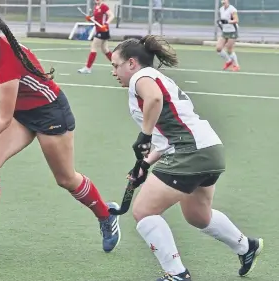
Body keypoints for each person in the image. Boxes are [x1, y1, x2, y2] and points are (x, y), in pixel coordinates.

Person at [0, 3, 121, 257]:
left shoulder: (9, 59)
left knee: (66, 179)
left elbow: (3, 119)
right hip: (22, 113)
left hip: (50, 113)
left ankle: (106, 215)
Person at [110, 35, 263, 281]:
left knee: (143, 211)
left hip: (190, 152)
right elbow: (166, 137)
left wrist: (144, 135)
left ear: (131, 63)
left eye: (115, 65)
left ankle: (177, 274)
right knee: (198, 215)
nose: (113, 71)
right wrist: (144, 164)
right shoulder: (156, 78)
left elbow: (155, 99)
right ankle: (246, 247)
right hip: (210, 149)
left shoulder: (141, 77)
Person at [78, 0, 115, 74]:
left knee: (93, 46)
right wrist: (90, 18)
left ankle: (88, 68)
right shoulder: (96, 7)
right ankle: (118, 66)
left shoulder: (104, 6)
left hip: (103, 30)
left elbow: (112, 15)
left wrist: (106, 24)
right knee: (105, 50)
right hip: (99, 30)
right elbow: (96, 18)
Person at [216, 0, 240, 71]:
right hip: (225, 31)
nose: (223, 1)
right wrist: (221, 22)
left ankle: (236, 65)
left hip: (232, 31)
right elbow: (223, 20)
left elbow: (236, 20)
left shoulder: (232, 9)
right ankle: (228, 61)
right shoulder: (221, 9)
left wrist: (228, 22)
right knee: (218, 48)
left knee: (229, 49)